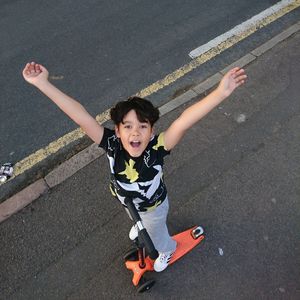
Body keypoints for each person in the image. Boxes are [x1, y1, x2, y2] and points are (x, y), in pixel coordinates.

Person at [22, 62, 247, 272]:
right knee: (138, 220)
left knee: (157, 237)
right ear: (118, 132)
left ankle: (167, 251)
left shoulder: (157, 148)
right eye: (127, 126)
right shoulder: (113, 144)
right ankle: (142, 227)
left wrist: (220, 93)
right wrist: (43, 83)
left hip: (153, 209)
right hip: (129, 202)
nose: (135, 132)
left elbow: (183, 121)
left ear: (151, 132)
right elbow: (81, 117)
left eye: (143, 126)